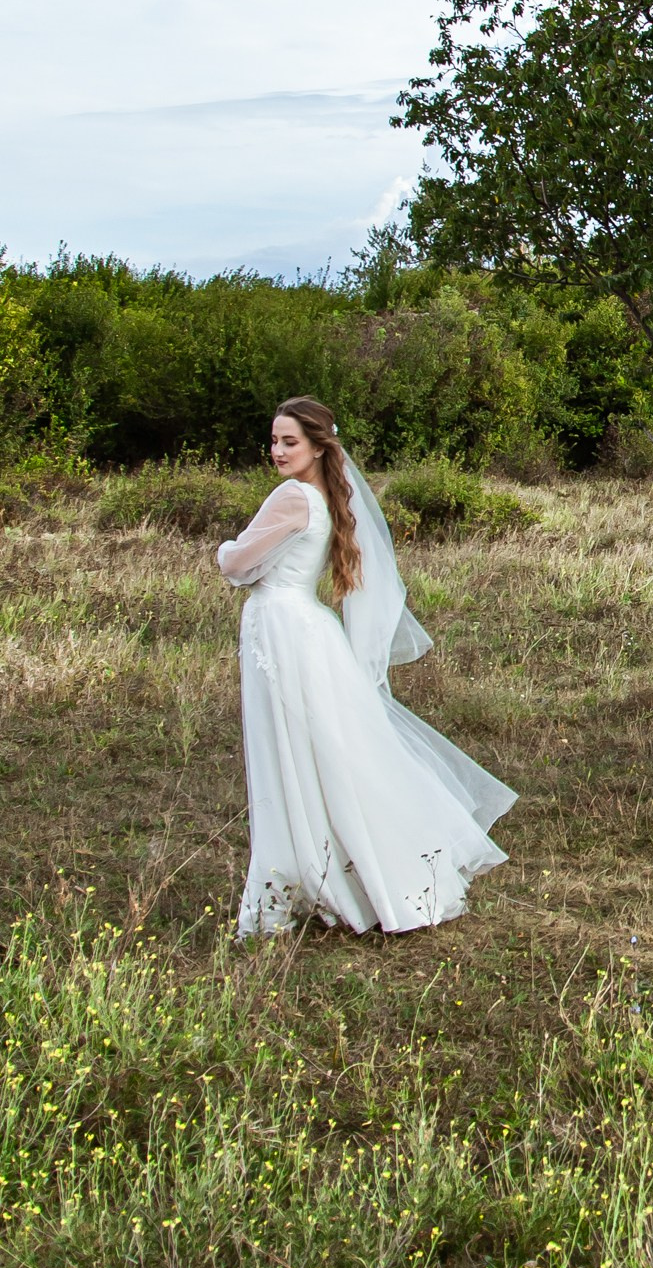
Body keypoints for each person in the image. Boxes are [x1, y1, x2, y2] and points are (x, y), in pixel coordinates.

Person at [214, 396, 515, 940]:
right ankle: (342, 867)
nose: (278, 451)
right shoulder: (329, 497)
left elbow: (237, 565)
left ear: (316, 445)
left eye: (290, 441)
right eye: (275, 440)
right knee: (322, 752)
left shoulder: (292, 497)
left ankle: (300, 880)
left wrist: (224, 548)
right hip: (303, 628)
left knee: (293, 753)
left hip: (284, 630)